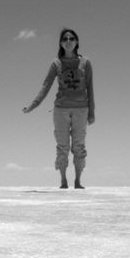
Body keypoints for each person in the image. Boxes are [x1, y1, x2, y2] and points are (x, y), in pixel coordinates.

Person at [23, 28, 95, 189]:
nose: (68, 41)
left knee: (79, 146)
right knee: (62, 147)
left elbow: (90, 88)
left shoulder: (85, 62)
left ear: (76, 42)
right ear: (61, 43)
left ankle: (78, 181)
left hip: (81, 109)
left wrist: (92, 112)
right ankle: (63, 181)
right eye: (65, 39)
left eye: (71, 38)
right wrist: (32, 106)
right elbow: (45, 86)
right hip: (61, 109)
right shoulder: (56, 63)